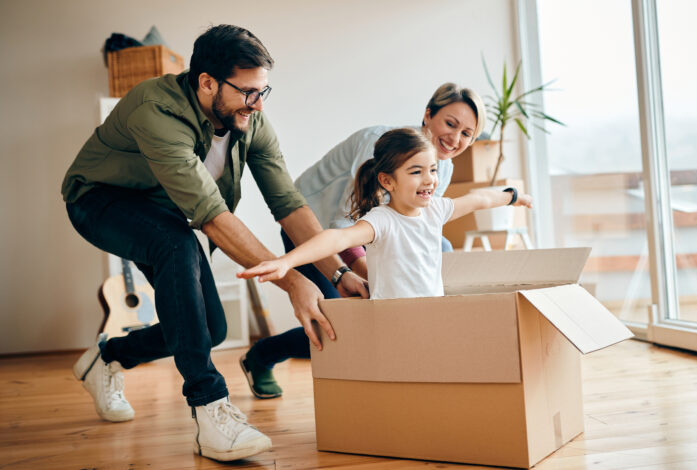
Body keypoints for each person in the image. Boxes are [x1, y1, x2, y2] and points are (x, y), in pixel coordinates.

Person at [61, 24, 367, 462]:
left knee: (211, 329)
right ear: (207, 83)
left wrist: (338, 270)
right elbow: (210, 217)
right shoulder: (156, 109)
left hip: (161, 210)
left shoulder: (249, 119)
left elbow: (288, 203)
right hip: (97, 199)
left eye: (264, 91)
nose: (258, 104)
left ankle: (108, 357)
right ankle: (210, 411)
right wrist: (292, 281)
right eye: (248, 92)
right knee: (176, 243)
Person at [240, 83, 486, 397]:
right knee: (336, 324)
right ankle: (261, 356)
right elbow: (347, 220)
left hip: (363, 235)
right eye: (450, 124)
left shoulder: (443, 166)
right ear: (428, 114)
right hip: (312, 228)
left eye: (467, 133)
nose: (455, 139)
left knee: (443, 251)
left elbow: (419, 224)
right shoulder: (378, 145)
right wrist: (365, 270)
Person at [238, 128, 533, 300]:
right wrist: (286, 261)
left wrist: (513, 197)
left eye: (432, 170)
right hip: (392, 319)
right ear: (387, 181)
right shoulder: (381, 221)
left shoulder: (436, 210)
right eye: (416, 172)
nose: (429, 179)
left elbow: (478, 199)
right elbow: (334, 239)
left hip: (431, 314)